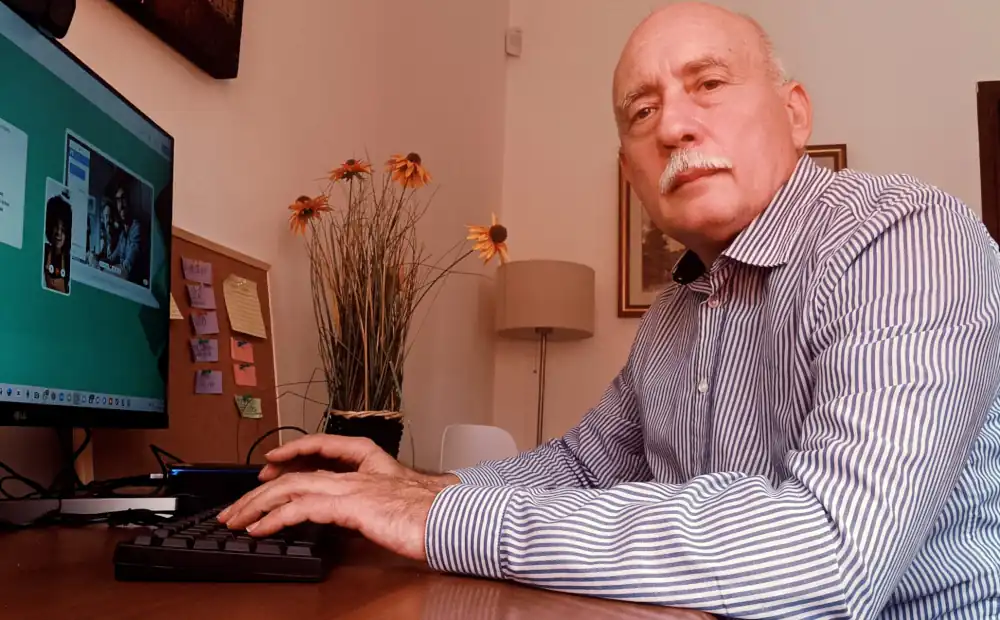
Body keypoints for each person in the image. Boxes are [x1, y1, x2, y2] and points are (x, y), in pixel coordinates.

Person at [219, 2, 1000, 617]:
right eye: (642, 112)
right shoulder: (675, 312)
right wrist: (420, 485)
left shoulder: (902, 236)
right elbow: (582, 466)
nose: (675, 125)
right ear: (632, 172)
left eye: (709, 83)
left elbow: (828, 552)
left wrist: (437, 523)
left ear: (795, 113)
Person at [106, 180, 141, 280]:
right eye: (118, 201)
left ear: (130, 201)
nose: (120, 206)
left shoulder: (136, 228)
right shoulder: (122, 234)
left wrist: (105, 270)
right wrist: (98, 260)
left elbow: (126, 269)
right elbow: (111, 259)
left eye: (123, 199)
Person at [42, 194, 72, 294]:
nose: (58, 233)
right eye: (56, 226)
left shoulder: (68, 261)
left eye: (63, 229)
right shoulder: (43, 252)